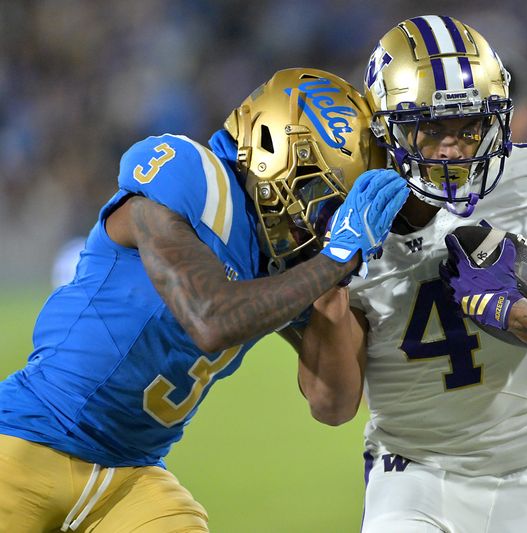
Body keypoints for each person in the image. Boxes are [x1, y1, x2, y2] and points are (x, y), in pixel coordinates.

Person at [0, 67, 408, 532]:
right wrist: (332, 260)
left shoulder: (292, 259)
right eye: (321, 197)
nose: (324, 223)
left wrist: (336, 283)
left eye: (340, 211)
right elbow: (208, 317)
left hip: (131, 475)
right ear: (271, 152)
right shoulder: (189, 174)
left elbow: (332, 404)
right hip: (28, 437)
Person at [298, 16, 527, 533]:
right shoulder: (346, 211)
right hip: (410, 473)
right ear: (386, 126)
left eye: (469, 126)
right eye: (430, 128)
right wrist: (333, 272)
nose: (452, 149)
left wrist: (518, 314)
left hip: (526, 480)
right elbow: (332, 406)